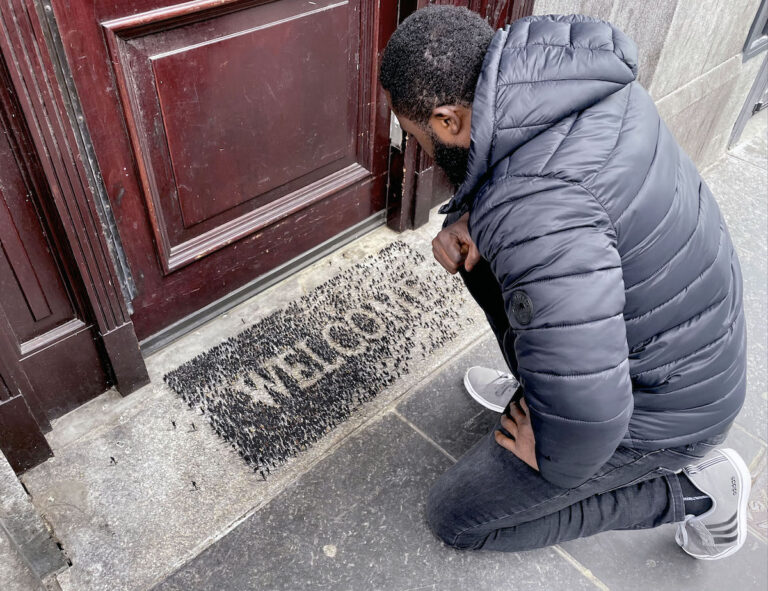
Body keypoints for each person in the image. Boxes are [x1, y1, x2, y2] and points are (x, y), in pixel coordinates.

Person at [379, 7, 750, 559]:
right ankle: (550, 384)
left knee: (457, 518)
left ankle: (698, 490)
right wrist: (478, 221)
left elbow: (551, 226)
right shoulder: (560, 81)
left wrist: (558, 450)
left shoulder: (534, 209)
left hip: (669, 408)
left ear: (449, 120)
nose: (419, 152)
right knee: (475, 251)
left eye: (417, 136)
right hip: (680, 349)